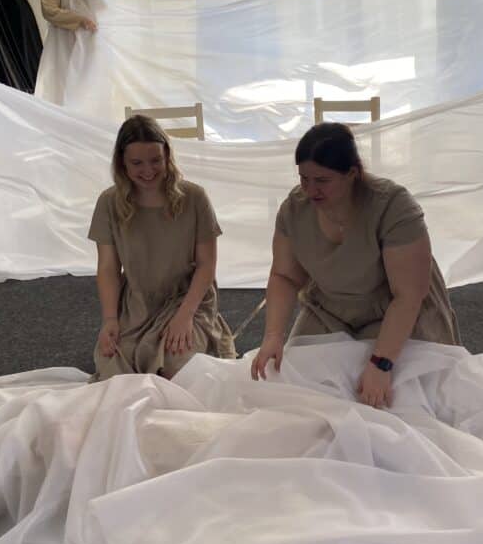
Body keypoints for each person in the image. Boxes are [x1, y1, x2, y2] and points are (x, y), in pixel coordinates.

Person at [251, 122, 460, 408]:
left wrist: (381, 363)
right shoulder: (295, 209)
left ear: (352, 174)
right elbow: (284, 276)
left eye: (322, 180)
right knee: (300, 387)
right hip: (330, 308)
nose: (310, 190)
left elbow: (408, 295)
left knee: (389, 399)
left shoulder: (393, 206)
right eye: (304, 178)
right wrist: (273, 336)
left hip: (392, 309)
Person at [89, 115, 236, 380]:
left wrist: (185, 316)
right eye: (137, 163)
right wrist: (110, 320)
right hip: (137, 304)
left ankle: (207, 332)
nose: (148, 171)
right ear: (122, 162)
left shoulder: (195, 197)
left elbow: (207, 265)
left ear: (167, 154)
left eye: (155, 160)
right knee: (116, 375)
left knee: (179, 370)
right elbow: (108, 267)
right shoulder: (108, 202)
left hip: (186, 299)